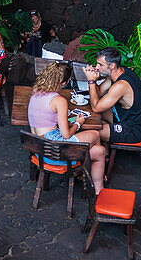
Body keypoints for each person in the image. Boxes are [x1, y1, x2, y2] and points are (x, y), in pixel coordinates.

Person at [27, 61, 106, 194]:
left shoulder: (36, 91)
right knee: (96, 134)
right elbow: (66, 135)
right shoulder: (59, 101)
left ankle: (89, 177)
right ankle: (92, 182)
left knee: (99, 150)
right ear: (64, 83)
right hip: (55, 150)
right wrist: (78, 123)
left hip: (39, 150)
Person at [85, 47, 141, 154]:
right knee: (89, 119)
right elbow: (99, 93)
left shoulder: (121, 85)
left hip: (133, 130)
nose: (96, 67)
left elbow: (96, 107)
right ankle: (105, 153)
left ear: (112, 66)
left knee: (91, 131)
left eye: (100, 65)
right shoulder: (117, 73)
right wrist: (94, 79)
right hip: (123, 118)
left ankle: (99, 156)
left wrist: (91, 81)